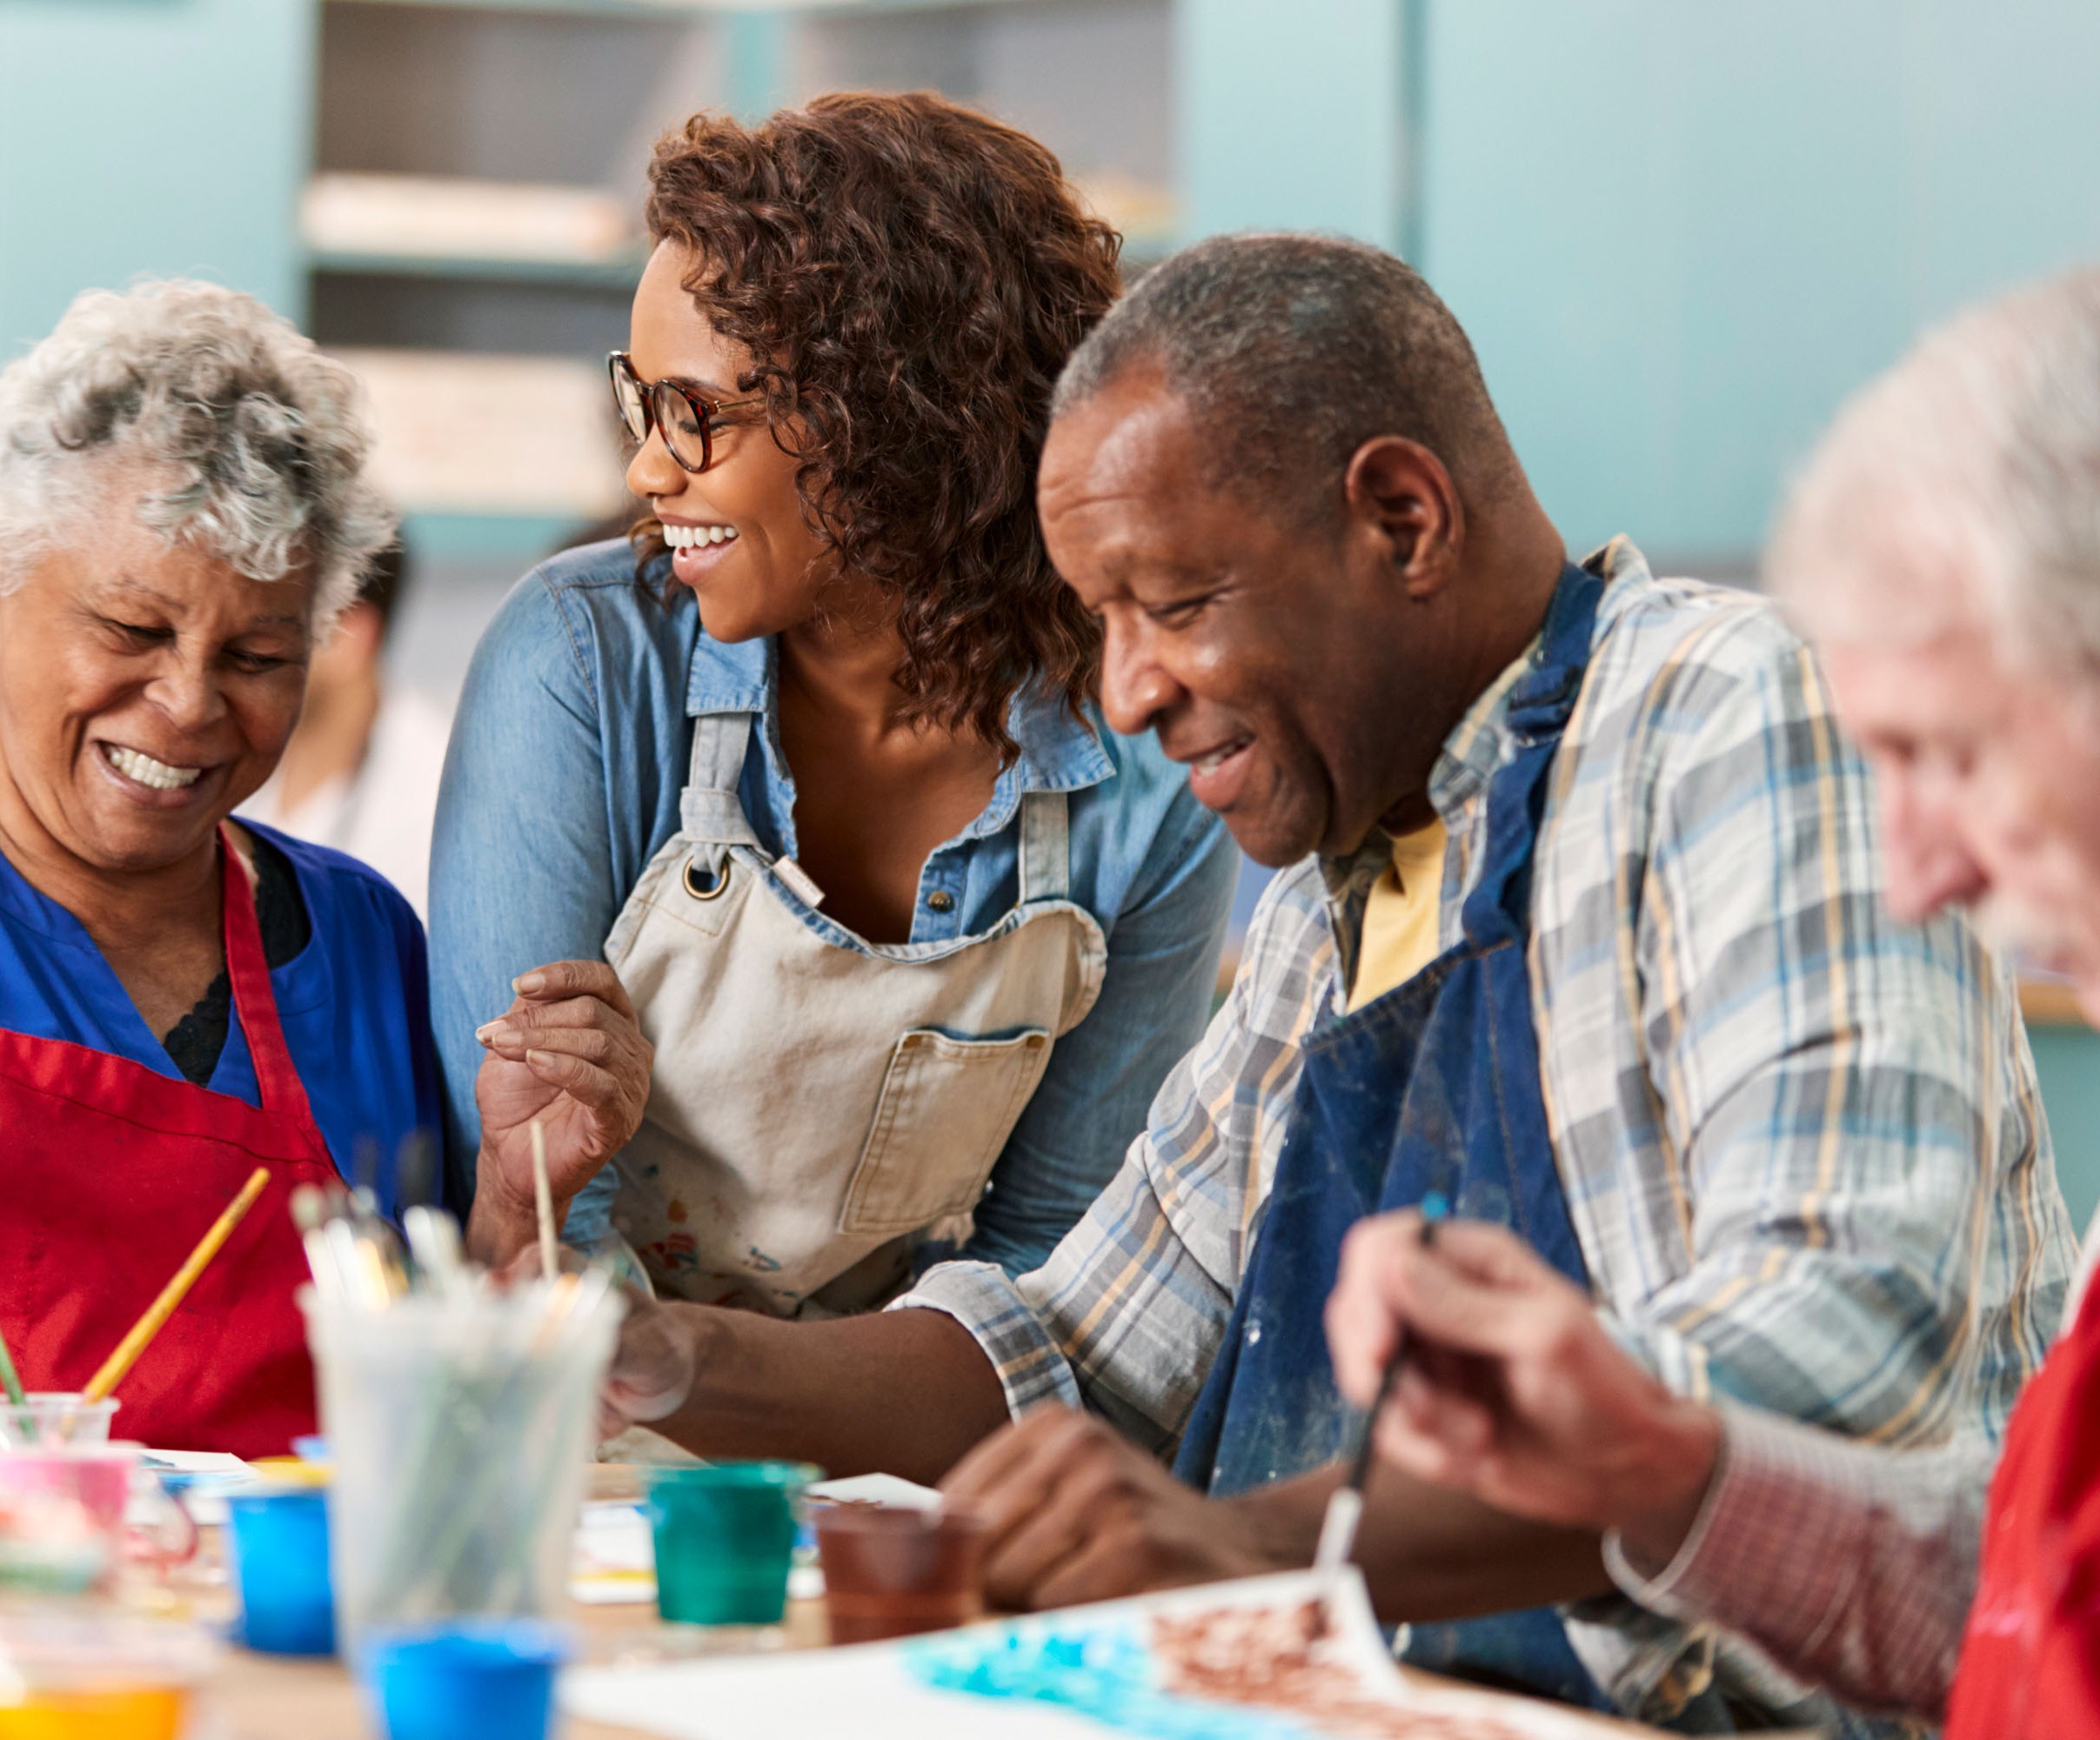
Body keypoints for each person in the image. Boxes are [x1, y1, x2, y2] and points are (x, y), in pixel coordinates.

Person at [586, 235, 2070, 1734]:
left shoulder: (1727, 716)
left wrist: (1260, 1551)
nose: (1123, 691)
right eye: (1097, 620)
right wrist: (658, 1353)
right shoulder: (1330, 888)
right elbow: (1082, 1354)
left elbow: (1840, 1344)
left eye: (1168, 604)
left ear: (1399, 517)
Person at [1322, 269, 2100, 1739]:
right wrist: (1654, 1465)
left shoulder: (1718, 704)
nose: (1916, 876)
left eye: (1948, 754)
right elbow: (2019, 1607)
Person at [430, 94, 1237, 1308]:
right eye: (639, 401)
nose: (648, 470)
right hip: (586, 1432)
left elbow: (1058, 1284)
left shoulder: (1144, 760)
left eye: (696, 413)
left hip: (907, 1452)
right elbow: (534, 1236)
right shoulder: (580, 668)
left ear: (898, 415)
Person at [0, 281, 652, 1456]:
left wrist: (518, 1200)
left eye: (256, 653)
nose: (189, 705)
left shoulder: (359, 942)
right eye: (132, 632)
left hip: (316, 1602)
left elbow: (462, 1408)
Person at [241, 537, 451, 919]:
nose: (237, 653)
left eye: (264, 627)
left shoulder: (440, 813)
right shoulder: (240, 754)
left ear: (347, 636)